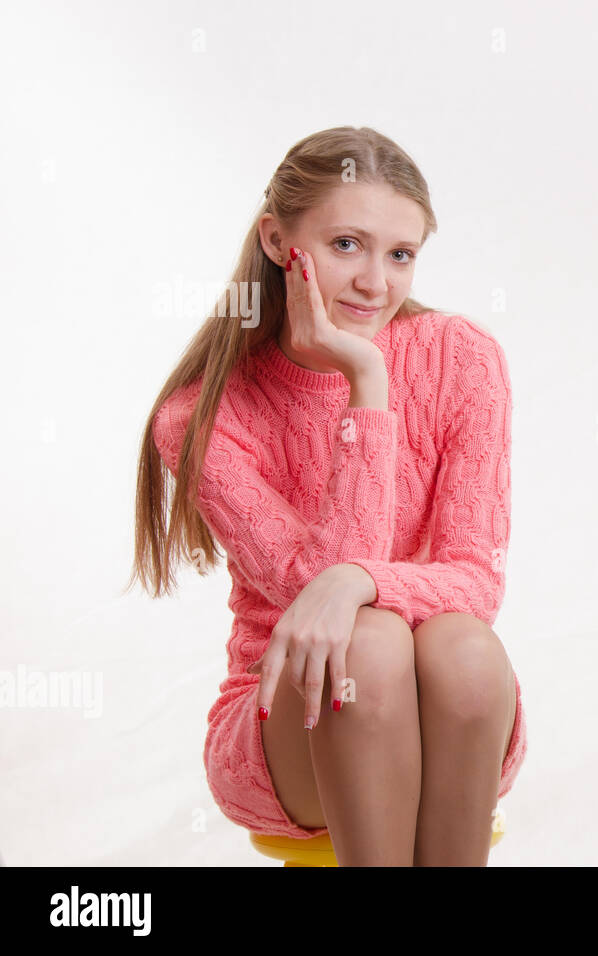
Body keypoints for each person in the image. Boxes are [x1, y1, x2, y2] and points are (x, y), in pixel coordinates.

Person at [129, 126, 524, 866]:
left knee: (467, 646)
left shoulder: (463, 357)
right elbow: (321, 607)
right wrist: (366, 385)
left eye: (400, 255)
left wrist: (362, 579)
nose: (377, 282)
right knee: (365, 645)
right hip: (295, 718)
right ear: (280, 241)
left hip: (448, 709)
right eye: (348, 244)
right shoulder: (200, 417)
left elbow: (477, 580)